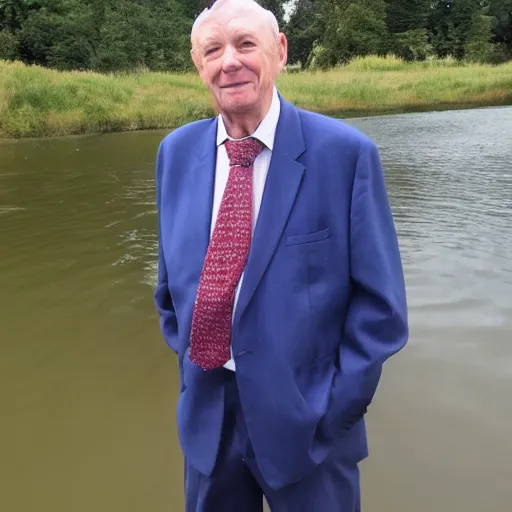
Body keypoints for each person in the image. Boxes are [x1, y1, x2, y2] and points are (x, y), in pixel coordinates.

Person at [153, 0, 408, 510]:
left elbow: (381, 311)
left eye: (246, 44)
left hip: (309, 426)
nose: (230, 61)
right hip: (209, 420)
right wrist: (193, 370)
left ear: (280, 50)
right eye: (213, 49)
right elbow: (169, 290)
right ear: (198, 64)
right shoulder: (175, 153)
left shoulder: (345, 153)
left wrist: (334, 411)